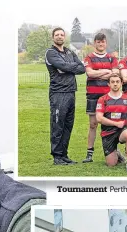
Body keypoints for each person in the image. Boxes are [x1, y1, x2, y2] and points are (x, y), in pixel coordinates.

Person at [45, 27, 85, 165]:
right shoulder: (50, 53)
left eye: (62, 34)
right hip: (58, 94)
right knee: (58, 125)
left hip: (71, 93)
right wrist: (69, 67)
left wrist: (67, 67)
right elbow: (65, 66)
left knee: (68, 125)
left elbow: (82, 68)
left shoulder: (69, 51)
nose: (60, 37)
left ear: (65, 37)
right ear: (53, 37)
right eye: (57, 35)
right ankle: (57, 156)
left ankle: (64, 155)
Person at [83, 33, 119, 163]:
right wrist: (106, 72)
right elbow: (90, 73)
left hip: (109, 96)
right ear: (94, 43)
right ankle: (89, 153)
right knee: (93, 124)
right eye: (98, 42)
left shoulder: (112, 58)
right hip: (93, 95)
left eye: (103, 42)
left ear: (106, 43)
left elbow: (115, 74)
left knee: (111, 124)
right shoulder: (89, 57)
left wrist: (98, 73)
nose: (101, 44)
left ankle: (114, 151)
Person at [95, 74, 127, 171]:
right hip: (108, 132)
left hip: (122, 130)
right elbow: (99, 118)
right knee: (111, 164)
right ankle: (116, 153)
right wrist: (115, 124)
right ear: (108, 84)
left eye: (117, 82)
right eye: (112, 82)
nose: (115, 84)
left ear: (121, 83)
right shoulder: (102, 99)